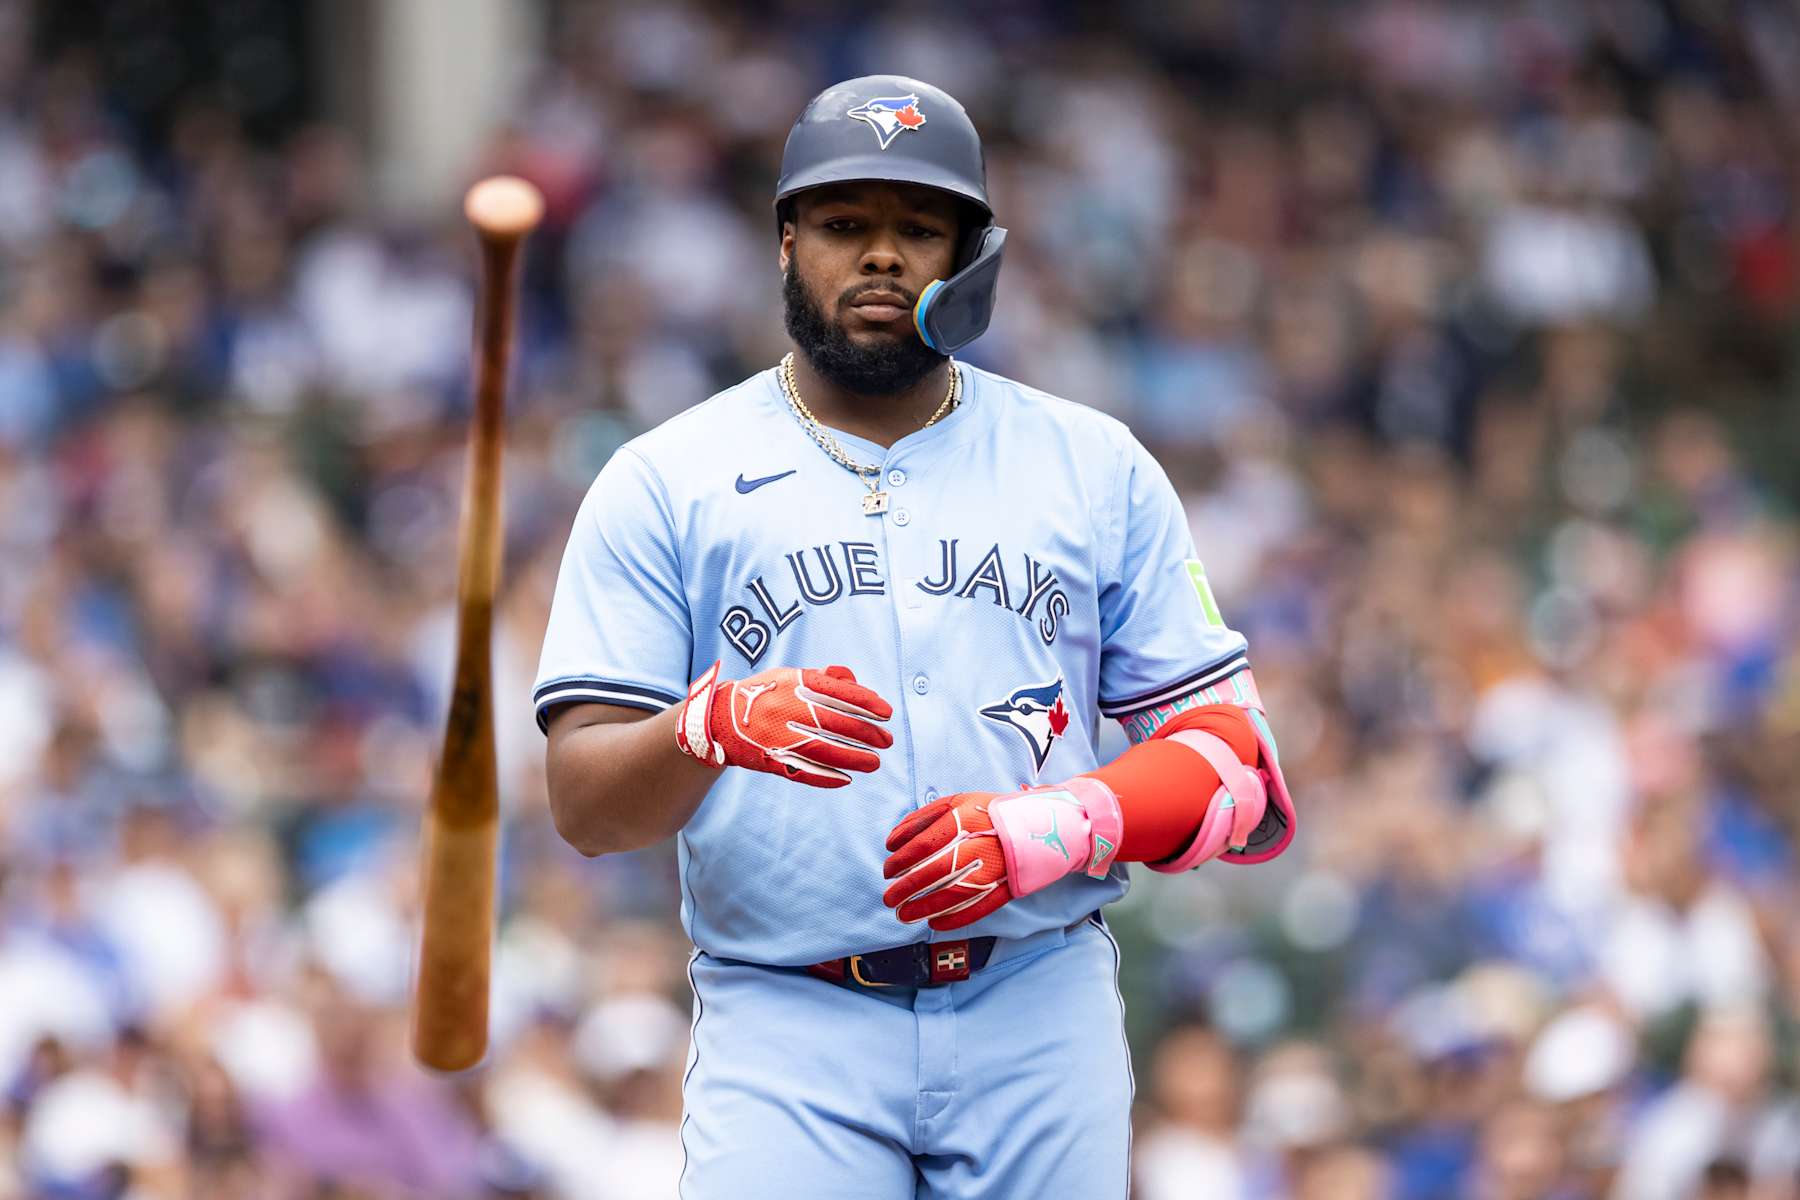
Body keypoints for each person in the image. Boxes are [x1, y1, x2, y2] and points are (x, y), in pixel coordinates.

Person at [534, 75, 1295, 1198]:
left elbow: (1240, 772)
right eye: (846, 226)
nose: (881, 257)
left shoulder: (1092, 464)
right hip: (789, 1016)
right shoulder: (666, 479)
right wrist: (706, 728)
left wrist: (1058, 825)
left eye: (917, 228)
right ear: (787, 243)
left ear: (971, 255)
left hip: (1036, 1002)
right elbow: (584, 805)